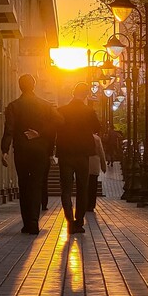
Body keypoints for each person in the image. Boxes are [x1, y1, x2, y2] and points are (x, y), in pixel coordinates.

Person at [1, 74, 61, 235]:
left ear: (20, 86)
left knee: (24, 185)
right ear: (33, 86)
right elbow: (59, 121)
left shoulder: (14, 106)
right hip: (40, 151)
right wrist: (40, 133)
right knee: (36, 185)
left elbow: (9, 130)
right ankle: (34, 222)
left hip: (21, 151)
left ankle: (27, 222)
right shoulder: (45, 105)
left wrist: (4, 150)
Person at [55, 82, 100, 234]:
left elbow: (55, 129)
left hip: (65, 154)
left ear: (73, 92)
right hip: (82, 155)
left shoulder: (62, 111)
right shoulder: (89, 111)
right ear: (86, 94)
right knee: (82, 189)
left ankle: (69, 222)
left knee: (66, 189)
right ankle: (79, 222)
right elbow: (98, 128)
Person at [86, 132, 107, 211]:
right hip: (94, 162)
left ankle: (84, 203)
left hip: (84, 163)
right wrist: (103, 165)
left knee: (84, 186)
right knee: (93, 186)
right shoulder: (97, 138)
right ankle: (91, 205)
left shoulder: (80, 137)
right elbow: (101, 152)